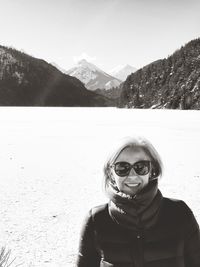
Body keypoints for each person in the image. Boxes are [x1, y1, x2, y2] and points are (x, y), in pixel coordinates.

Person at [76, 136, 200, 267]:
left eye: (140, 167)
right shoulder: (96, 219)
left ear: (152, 170)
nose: (132, 176)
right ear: (111, 173)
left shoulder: (179, 213)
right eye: (122, 168)